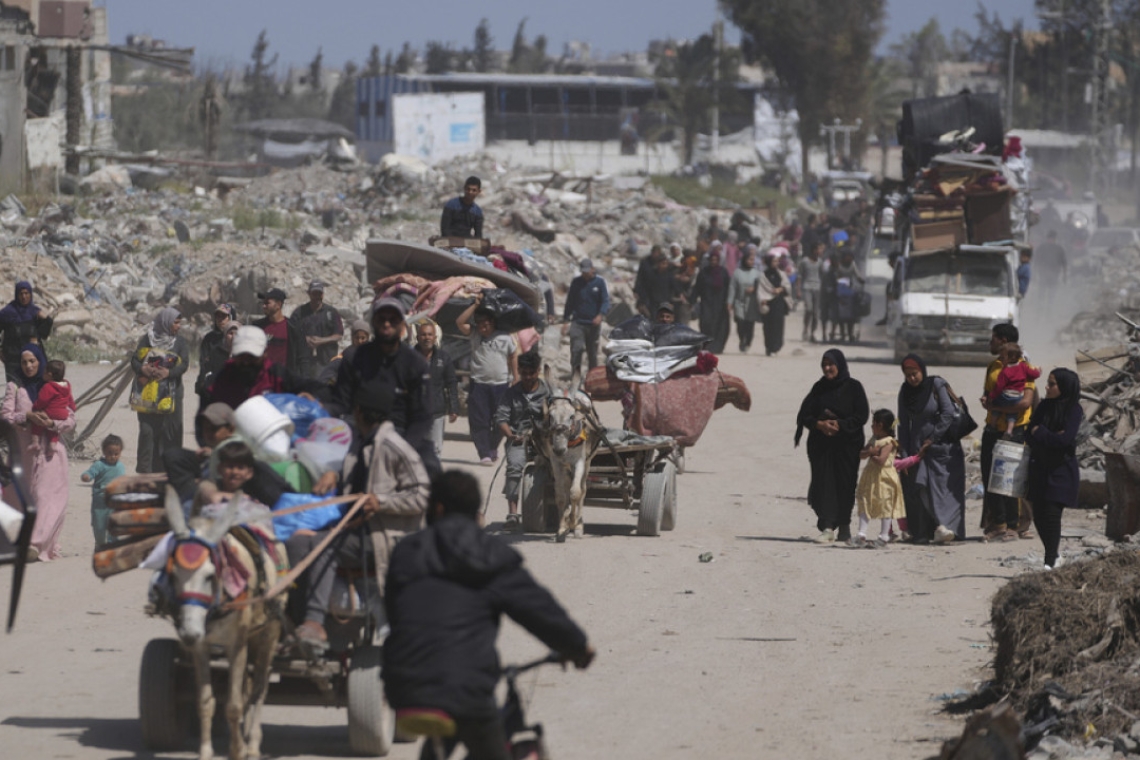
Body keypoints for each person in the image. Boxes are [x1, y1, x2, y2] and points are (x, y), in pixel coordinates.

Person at [383, 470, 594, 760]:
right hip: (467, 688)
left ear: (438, 508)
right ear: (476, 513)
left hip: (402, 683)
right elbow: (537, 610)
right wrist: (577, 646)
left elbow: (394, 613)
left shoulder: (406, 551)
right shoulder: (490, 554)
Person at [288, 383, 431, 651]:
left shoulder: (394, 447)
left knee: (322, 544)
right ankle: (294, 624)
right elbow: (354, 476)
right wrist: (335, 474)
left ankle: (315, 621)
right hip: (355, 530)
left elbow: (422, 495)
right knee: (295, 543)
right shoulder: (360, 443)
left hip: (381, 537)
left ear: (361, 413)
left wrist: (382, 502)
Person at [331, 297, 436, 473]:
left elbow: (423, 416)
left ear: (402, 325)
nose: (387, 324)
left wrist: (403, 450)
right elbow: (341, 401)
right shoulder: (354, 358)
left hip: (402, 435)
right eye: (382, 319)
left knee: (434, 473)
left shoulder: (415, 363)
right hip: (362, 434)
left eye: (393, 320)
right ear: (373, 323)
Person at [1, 344, 75, 561]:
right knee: (17, 498)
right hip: (23, 454)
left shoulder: (58, 386)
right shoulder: (15, 387)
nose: (28, 366)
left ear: (41, 361)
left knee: (47, 498)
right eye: (24, 362)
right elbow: (5, 416)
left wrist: (52, 423)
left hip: (51, 454)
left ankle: (35, 544)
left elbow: (70, 417)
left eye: (32, 361)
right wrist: (27, 416)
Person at [795, 349, 869, 543]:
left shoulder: (854, 387)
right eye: (824, 364)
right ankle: (827, 526)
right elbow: (804, 414)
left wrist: (840, 425)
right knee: (824, 483)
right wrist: (820, 425)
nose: (827, 368)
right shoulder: (818, 388)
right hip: (822, 447)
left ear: (840, 365)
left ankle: (844, 526)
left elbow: (862, 415)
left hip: (847, 446)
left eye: (831, 364)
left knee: (845, 484)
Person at [897, 354, 967, 543]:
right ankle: (932, 528)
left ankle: (947, 527)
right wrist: (904, 455)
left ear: (922, 370)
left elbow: (948, 413)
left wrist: (932, 438)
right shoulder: (905, 392)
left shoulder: (936, 384)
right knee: (921, 487)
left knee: (945, 490)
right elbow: (903, 424)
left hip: (943, 448)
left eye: (915, 374)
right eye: (908, 375)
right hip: (917, 449)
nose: (912, 379)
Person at [980, 323, 1036, 541]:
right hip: (992, 429)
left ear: (1003, 341)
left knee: (1011, 479)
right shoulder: (993, 366)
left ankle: (1015, 525)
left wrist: (996, 408)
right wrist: (988, 403)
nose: (990, 343)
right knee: (990, 478)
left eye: (993, 339)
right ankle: (998, 524)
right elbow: (988, 394)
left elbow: (1025, 403)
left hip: (1015, 431)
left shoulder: (1024, 368)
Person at [1026, 368, 1082, 570]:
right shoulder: (1043, 407)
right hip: (1039, 468)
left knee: (1051, 513)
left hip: (1061, 470)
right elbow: (1028, 433)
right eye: (1048, 383)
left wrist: (1041, 433)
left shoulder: (1074, 410)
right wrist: (1048, 436)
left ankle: (1049, 560)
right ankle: (1055, 555)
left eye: (1052, 384)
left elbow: (1065, 440)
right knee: (1039, 515)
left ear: (1064, 387)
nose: (1047, 388)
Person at [458, 297, 518, 465]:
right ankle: (484, 453)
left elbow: (513, 355)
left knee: (501, 419)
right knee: (479, 420)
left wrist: (516, 377)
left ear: (493, 323)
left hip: (501, 385)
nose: (484, 328)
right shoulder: (474, 334)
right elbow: (460, 322)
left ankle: (493, 447)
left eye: (487, 325)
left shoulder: (504, 337)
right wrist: (475, 305)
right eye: (481, 325)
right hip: (479, 384)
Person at [494, 350, 550, 530]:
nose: (527, 377)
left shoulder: (548, 392)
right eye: (523, 373)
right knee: (515, 466)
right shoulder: (510, 394)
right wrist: (510, 435)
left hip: (544, 439)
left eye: (531, 373)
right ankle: (512, 513)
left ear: (538, 371)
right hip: (518, 439)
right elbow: (501, 419)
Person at [131, 308, 190, 474]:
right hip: (148, 395)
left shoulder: (180, 343)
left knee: (171, 433)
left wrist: (168, 373)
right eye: (175, 322)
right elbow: (135, 360)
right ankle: (145, 472)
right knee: (147, 432)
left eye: (179, 323)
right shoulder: (148, 339)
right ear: (165, 322)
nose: (178, 326)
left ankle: (169, 471)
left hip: (171, 395)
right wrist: (144, 369)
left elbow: (184, 364)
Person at [854, 409, 906, 547]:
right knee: (865, 501)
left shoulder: (889, 442)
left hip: (884, 478)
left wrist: (871, 453)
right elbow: (862, 453)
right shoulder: (874, 439)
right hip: (871, 476)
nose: (871, 427)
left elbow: (881, 460)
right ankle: (861, 534)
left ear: (880, 425)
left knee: (885, 505)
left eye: (873, 424)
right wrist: (869, 452)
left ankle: (884, 536)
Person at [414, 320, 459, 457]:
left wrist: (453, 408)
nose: (426, 337)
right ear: (417, 337)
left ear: (434, 337)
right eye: (423, 335)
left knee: (435, 450)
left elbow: (451, 383)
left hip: (436, 412)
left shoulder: (443, 358)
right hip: (414, 413)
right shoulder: (409, 357)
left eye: (429, 334)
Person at [562, 259, 610, 382]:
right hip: (578, 322)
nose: (585, 274)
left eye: (587, 271)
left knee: (592, 353)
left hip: (593, 324)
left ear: (592, 269)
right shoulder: (576, 283)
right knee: (576, 349)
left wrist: (600, 315)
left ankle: (592, 377)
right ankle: (575, 376)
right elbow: (570, 302)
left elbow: (605, 301)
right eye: (583, 271)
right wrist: (565, 320)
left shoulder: (599, 283)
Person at [195, 304, 236, 444]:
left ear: (231, 317)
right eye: (218, 316)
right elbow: (204, 362)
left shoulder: (239, 336)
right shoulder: (210, 338)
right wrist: (202, 382)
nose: (220, 319)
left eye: (224, 316)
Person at [0, 280, 52, 383]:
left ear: (30, 294)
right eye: (21, 294)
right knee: (16, 388)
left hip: (33, 357)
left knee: (38, 387)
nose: (24, 297)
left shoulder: (35, 312)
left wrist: (46, 318)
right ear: (16, 295)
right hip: (13, 357)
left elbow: (44, 333)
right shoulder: (7, 313)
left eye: (26, 293)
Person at [290, 280, 344, 378]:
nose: (317, 297)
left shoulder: (331, 312)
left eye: (319, 293)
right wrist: (304, 339)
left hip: (326, 361)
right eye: (314, 294)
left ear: (323, 294)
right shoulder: (299, 312)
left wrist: (322, 340)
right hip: (304, 361)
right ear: (309, 294)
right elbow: (290, 332)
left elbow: (339, 335)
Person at [254, 287, 310, 379]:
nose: (264, 306)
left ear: (278, 305)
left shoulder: (293, 328)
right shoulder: (257, 327)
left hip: (284, 380)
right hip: (262, 379)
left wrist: (305, 381)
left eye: (267, 303)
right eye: (263, 303)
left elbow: (303, 358)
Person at [988, 343, 1041, 437]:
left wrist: (991, 397)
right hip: (1018, 397)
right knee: (1013, 413)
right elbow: (1033, 374)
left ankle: (992, 425)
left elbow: (999, 387)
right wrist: (1038, 372)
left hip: (1005, 395)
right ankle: (1009, 430)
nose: (1001, 359)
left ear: (1011, 358)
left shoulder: (1005, 371)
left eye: (1003, 357)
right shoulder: (1023, 366)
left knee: (996, 406)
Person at [82, 434, 125, 546]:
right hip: (100, 502)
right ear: (104, 452)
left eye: (116, 454)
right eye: (110, 453)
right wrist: (86, 476)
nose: (113, 456)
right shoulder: (99, 465)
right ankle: (100, 544)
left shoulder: (120, 466)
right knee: (99, 526)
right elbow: (90, 473)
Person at [693, 249, 730, 354]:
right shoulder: (704, 272)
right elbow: (697, 287)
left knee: (720, 326)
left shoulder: (723, 272)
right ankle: (707, 345)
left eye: (716, 260)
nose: (713, 262)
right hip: (707, 303)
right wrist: (692, 301)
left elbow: (728, 288)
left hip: (720, 304)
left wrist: (729, 302)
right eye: (712, 260)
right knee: (706, 323)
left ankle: (717, 347)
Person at [728, 249, 763, 354]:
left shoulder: (757, 273)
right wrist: (729, 302)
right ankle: (741, 339)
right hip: (739, 302)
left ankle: (748, 342)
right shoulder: (737, 273)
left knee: (750, 325)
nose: (751, 262)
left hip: (752, 303)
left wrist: (754, 289)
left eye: (753, 260)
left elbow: (762, 286)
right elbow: (732, 288)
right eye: (749, 259)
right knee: (740, 323)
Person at [318, 319, 372, 386]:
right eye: (357, 338)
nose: (360, 341)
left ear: (368, 338)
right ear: (352, 338)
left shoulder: (373, 358)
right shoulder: (341, 359)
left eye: (363, 338)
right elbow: (324, 380)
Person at [758, 250, 792, 357]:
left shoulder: (781, 274)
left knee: (778, 326)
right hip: (768, 304)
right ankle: (769, 347)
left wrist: (781, 289)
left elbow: (788, 286)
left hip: (779, 303)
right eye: (774, 261)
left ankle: (776, 347)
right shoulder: (763, 275)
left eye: (777, 261)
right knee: (768, 327)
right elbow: (760, 290)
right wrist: (762, 299)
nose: (776, 263)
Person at [31, 359, 74, 443]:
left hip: (51, 412)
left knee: (37, 422)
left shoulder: (48, 387)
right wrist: (73, 408)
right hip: (63, 413)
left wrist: (35, 407)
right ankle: (53, 444)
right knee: (54, 429)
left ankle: (35, 442)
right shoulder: (67, 385)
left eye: (44, 372)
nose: (42, 374)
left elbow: (42, 401)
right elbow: (70, 400)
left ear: (49, 375)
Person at [798, 241, 824, 342]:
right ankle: (805, 329)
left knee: (815, 313)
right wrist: (798, 289)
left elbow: (822, 275)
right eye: (819, 249)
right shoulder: (804, 261)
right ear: (814, 250)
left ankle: (813, 333)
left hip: (817, 288)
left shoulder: (820, 262)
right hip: (807, 287)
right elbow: (799, 276)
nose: (821, 251)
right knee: (808, 309)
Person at [1033, 230, 1067, 298]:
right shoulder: (1041, 248)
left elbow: (1064, 262)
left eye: (1053, 238)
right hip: (1043, 272)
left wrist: (1064, 275)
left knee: (1052, 292)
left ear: (1055, 239)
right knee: (1042, 291)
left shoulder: (1059, 249)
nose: (1051, 240)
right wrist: (1034, 273)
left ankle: (1049, 306)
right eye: (1050, 238)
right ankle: (1040, 305)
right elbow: (1036, 261)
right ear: (1047, 239)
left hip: (1054, 273)